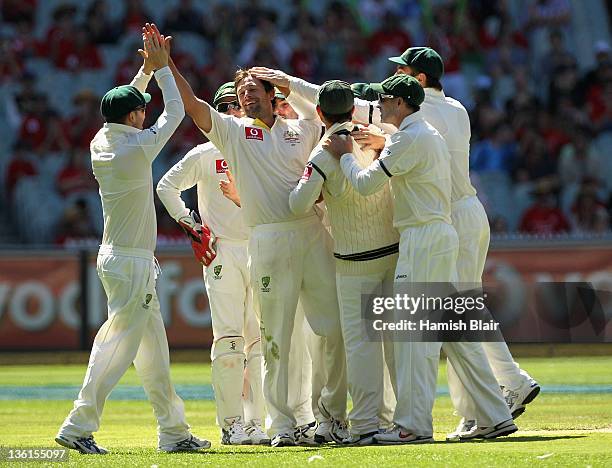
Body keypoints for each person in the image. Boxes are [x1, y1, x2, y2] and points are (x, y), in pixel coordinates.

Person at [147, 22, 348, 447]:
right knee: (272, 336)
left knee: (328, 330)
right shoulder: (234, 134)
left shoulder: (302, 127)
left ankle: (329, 420)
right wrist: (168, 69)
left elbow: (329, 111)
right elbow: (198, 107)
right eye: (242, 94)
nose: (246, 97)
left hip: (312, 232)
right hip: (268, 239)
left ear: (274, 95)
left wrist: (290, 83)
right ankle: (282, 425)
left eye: (254, 90)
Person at [324, 74, 516, 444]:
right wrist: (384, 141)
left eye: (384, 100)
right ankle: (495, 415)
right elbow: (401, 147)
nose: (378, 106)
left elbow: (365, 184)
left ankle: (413, 425)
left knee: (414, 338)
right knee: (456, 334)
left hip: (422, 238)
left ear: (400, 103)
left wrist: (346, 155)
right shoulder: (420, 133)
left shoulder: (410, 138)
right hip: (436, 235)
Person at [55, 26, 209, 454]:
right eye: (141, 110)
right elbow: (175, 113)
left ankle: (174, 433)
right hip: (131, 262)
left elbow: (129, 105)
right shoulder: (135, 149)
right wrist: (161, 71)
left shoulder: (102, 140)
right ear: (134, 117)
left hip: (121, 259)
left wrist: (143, 72)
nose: (146, 113)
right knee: (117, 345)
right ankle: (77, 425)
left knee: (153, 352)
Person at [390, 46, 540, 439]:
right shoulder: (456, 107)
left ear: (418, 81)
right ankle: (499, 390)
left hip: (449, 215)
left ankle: (489, 401)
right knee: (461, 311)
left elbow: (355, 103)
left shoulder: (421, 113)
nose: (394, 87)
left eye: (403, 75)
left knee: (451, 317)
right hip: (470, 212)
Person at [156, 82, 269, 446]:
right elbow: (166, 186)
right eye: (228, 107)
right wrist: (192, 225)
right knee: (229, 340)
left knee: (261, 342)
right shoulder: (205, 153)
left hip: (260, 246)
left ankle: (256, 422)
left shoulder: (260, 146)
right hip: (222, 252)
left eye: (239, 106)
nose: (235, 112)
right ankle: (231, 423)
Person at [288, 80, 398, 445]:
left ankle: (366, 424)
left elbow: (297, 204)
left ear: (319, 114)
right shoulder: (376, 135)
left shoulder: (322, 153)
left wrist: (321, 193)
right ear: (353, 109)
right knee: (395, 344)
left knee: (361, 345)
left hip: (354, 261)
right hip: (393, 252)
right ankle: (398, 420)